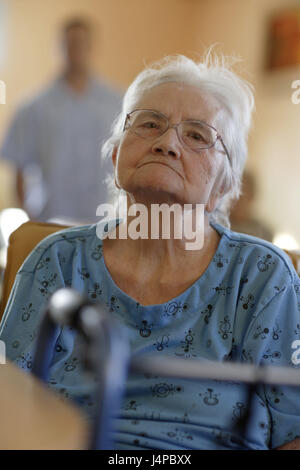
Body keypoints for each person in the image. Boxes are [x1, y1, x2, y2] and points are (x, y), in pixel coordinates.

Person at [1, 52, 300, 451]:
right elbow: (9, 405)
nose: (167, 143)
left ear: (223, 187)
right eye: (150, 123)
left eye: (197, 135)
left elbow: (292, 430)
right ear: (116, 155)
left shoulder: (262, 276)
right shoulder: (55, 261)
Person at [0, 18, 122, 224]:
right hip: (49, 220)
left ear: (91, 46)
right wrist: (30, 220)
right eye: (70, 43)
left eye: (81, 43)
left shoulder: (117, 103)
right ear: (59, 47)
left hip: (103, 221)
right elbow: (18, 169)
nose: (76, 50)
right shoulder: (32, 107)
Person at [230, 170, 274, 242]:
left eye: (241, 193)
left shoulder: (264, 232)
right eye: (232, 192)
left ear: (251, 196)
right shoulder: (220, 225)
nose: (235, 198)